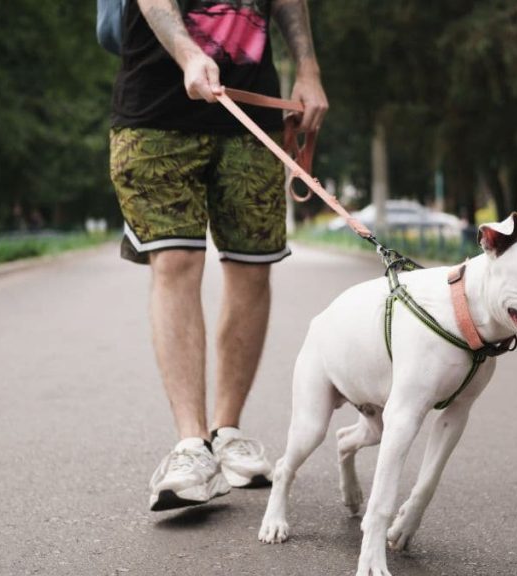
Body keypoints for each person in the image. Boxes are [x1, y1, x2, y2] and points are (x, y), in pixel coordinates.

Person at [109, 0, 328, 511]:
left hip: (251, 111)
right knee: (176, 261)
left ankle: (226, 433)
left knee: (252, 267)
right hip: (155, 111)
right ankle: (191, 447)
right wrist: (186, 53)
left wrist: (308, 68)